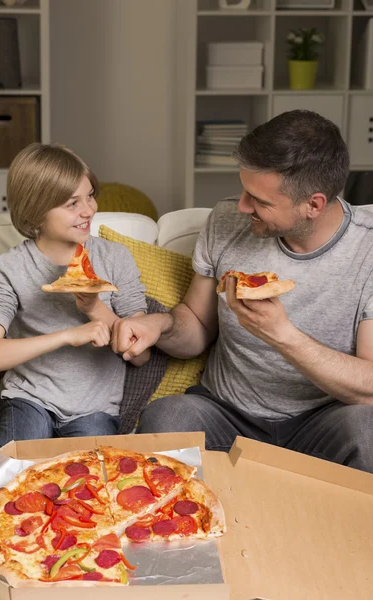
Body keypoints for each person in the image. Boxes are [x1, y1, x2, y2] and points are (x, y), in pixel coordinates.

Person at [112, 109, 373, 474]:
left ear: (313, 205)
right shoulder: (225, 221)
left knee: (367, 430)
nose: (241, 206)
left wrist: (283, 336)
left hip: (324, 421)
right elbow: (197, 327)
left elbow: (369, 386)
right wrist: (161, 326)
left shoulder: (368, 248)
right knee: (167, 416)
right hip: (227, 415)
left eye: (259, 201)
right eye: (244, 190)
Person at [0, 143, 150, 482]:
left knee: (92, 484)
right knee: (2, 476)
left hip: (94, 410)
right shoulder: (10, 269)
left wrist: (95, 309)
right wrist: (70, 335)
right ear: (35, 212)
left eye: (90, 196)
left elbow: (139, 355)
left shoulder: (115, 258)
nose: (88, 211)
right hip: (29, 399)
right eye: (72, 203)